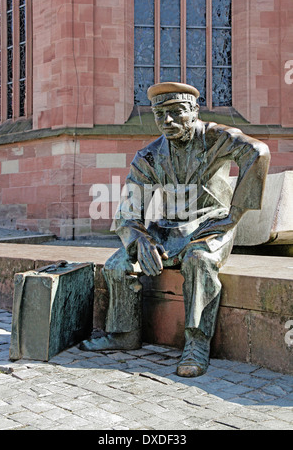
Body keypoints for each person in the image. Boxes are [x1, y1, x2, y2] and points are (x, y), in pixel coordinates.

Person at [80, 82, 271, 377]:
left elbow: (258, 153)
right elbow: (128, 214)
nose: (166, 121)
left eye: (175, 112)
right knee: (117, 265)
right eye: (159, 115)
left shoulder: (216, 138)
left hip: (210, 225)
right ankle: (124, 334)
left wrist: (234, 215)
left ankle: (196, 343)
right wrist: (140, 239)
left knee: (199, 262)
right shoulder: (150, 156)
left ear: (194, 111)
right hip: (167, 230)